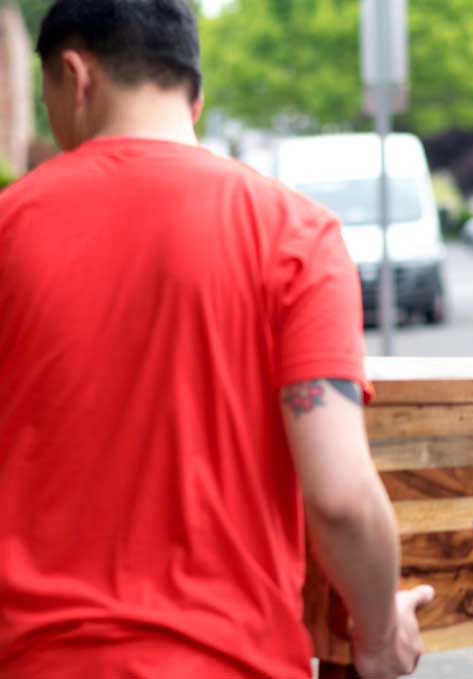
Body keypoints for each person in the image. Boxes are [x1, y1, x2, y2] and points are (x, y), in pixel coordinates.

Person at [0, 2, 432, 678]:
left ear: (74, 76)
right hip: (236, 660)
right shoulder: (297, 235)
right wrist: (378, 635)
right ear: (193, 97)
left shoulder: (9, 227)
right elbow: (341, 497)